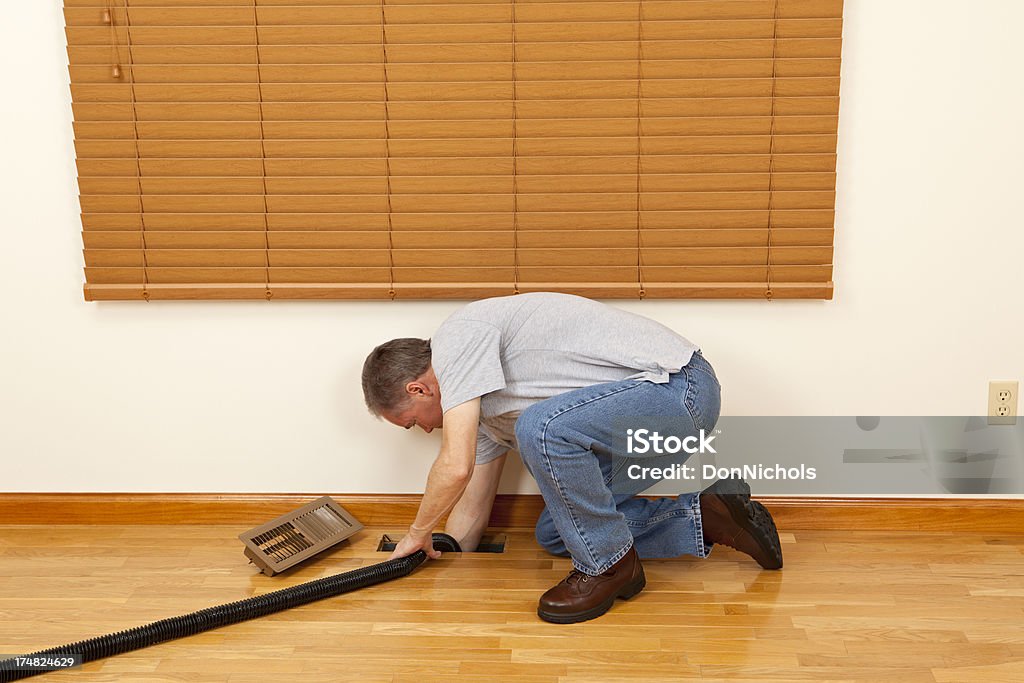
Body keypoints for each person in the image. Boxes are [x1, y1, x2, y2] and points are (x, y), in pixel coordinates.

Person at [361, 292, 783, 623]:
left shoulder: (458, 337)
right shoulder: (483, 414)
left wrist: (416, 532)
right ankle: (707, 517)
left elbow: (455, 465)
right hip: (643, 429)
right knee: (561, 532)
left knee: (540, 427)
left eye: (412, 422)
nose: (426, 430)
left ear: (418, 389)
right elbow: (472, 500)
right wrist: (448, 550)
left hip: (677, 392)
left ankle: (611, 570)